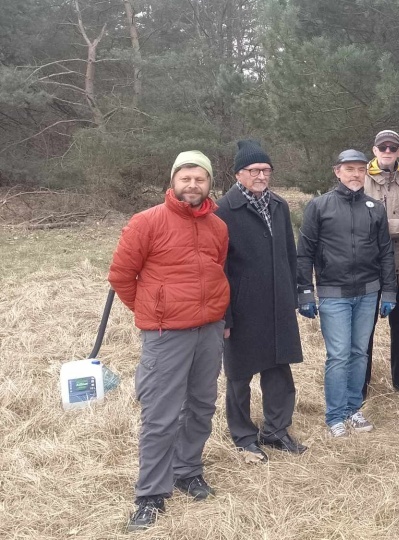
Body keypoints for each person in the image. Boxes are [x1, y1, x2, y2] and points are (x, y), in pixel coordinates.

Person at [108, 151, 229, 531]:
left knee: (202, 405)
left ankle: (187, 470)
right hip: (166, 335)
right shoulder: (146, 222)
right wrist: (152, 310)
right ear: (173, 181)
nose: (193, 185)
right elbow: (121, 276)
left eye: (200, 179)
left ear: (209, 184)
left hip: (208, 330)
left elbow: (217, 268)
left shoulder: (217, 227)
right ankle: (150, 495)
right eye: (186, 178)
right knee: (160, 415)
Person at [215, 140, 305, 463]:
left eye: (266, 170)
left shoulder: (279, 206)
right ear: (239, 173)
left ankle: (276, 430)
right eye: (255, 170)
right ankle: (243, 436)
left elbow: (289, 256)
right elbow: (218, 267)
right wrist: (224, 315)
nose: (262, 176)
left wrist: (292, 295)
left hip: (277, 303)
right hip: (242, 306)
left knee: (278, 370)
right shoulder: (223, 210)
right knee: (239, 375)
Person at [297, 149, 397, 438]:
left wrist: (389, 291)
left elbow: (386, 253)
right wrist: (305, 292)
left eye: (360, 169)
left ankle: (354, 409)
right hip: (333, 293)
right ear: (337, 171)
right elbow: (304, 253)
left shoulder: (374, 207)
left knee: (359, 353)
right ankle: (335, 415)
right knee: (339, 355)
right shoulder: (319, 206)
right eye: (349, 169)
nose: (355, 174)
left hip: (368, 292)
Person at [364, 129, 399, 397]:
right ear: (374, 150)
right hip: (371, 269)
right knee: (366, 329)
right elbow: (364, 226)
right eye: (382, 147)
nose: (387, 151)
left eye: (392, 148)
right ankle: (362, 383)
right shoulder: (361, 181)